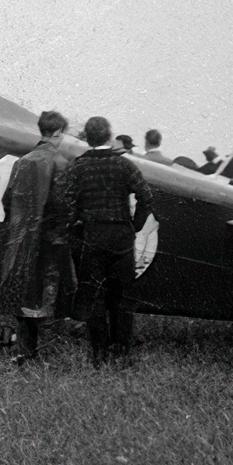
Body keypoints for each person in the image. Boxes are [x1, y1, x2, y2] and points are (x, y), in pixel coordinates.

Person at [59, 116, 154, 364]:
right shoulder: (123, 165)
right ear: (108, 136)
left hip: (91, 235)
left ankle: (99, 353)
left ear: (88, 138)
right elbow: (146, 195)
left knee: (94, 295)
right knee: (121, 296)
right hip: (121, 236)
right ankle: (121, 350)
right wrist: (135, 225)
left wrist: (74, 226)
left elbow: (65, 202)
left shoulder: (78, 166)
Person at [0, 111, 74, 364]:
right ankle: (37, 352)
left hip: (21, 240)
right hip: (50, 241)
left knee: (23, 293)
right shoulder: (61, 163)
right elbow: (66, 206)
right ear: (59, 132)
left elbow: (7, 200)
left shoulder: (23, 161)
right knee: (46, 295)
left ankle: (25, 352)